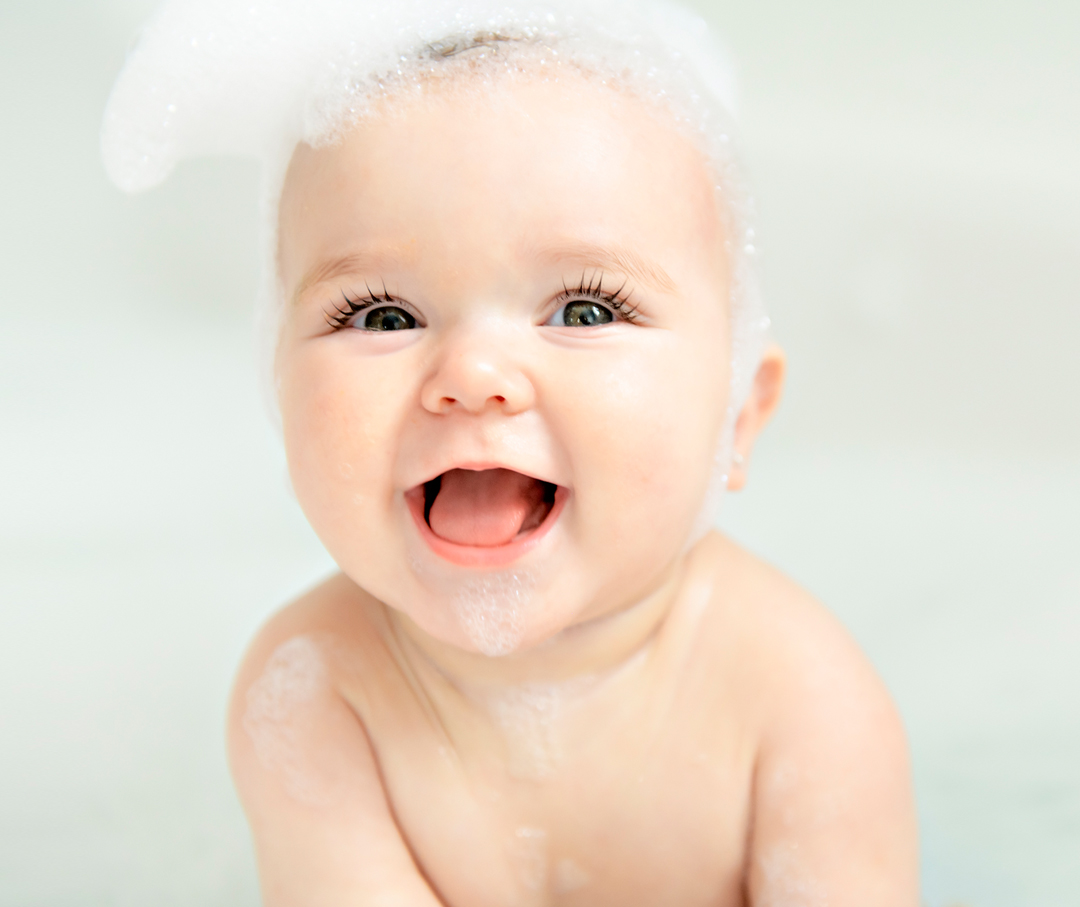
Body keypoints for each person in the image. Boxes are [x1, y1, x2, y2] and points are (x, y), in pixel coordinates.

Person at [104, 3, 919, 904]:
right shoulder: (311, 690)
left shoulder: (799, 704)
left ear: (737, 417)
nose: (474, 374)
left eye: (584, 310)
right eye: (383, 315)